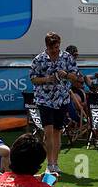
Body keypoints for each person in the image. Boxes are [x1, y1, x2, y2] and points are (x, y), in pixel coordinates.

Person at [30, 32, 77, 176]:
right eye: (52, 48)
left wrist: (66, 74)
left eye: (57, 47)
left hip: (61, 99)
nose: (55, 50)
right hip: (44, 99)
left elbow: (75, 77)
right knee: (48, 132)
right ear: (47, 46)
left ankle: (55, 163)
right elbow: (33, 79)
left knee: (57, 132)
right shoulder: (39, 59)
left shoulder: (67, 57)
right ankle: (49, 164)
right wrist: (47, 79)